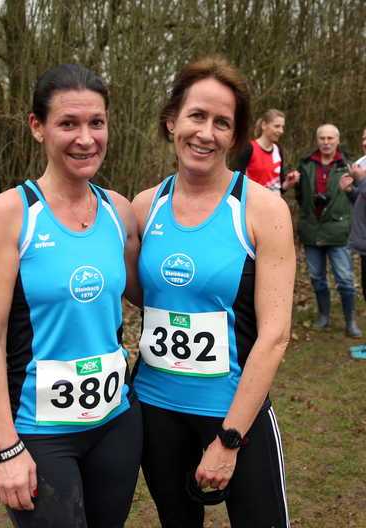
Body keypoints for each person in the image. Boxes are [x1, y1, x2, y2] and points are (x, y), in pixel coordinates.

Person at [0, 64, 143, 528]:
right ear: (37, 126)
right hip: (39, 431)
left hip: (116, 424)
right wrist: (4, 447)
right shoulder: (12, 213)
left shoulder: (119, 211)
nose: (86, 139)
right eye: (68, 123)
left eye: (96, 123)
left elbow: (153, 295)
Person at [131, 56, 295, 527]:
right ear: (172, 121)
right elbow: (142, 296)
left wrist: (230, 439)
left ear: (236, 135)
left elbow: (275, 336)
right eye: (196, 116)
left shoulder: (263, 211)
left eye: (222, 122)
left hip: (234, 411)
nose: (206, 133)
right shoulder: (144, 207)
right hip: (156, 411)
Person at [287, 124, 361, 337]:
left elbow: (357, 197)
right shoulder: (305, 165)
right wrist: (294, 184)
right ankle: (324, 316)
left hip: (338, 231)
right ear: (317, 140)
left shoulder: (348, 165)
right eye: (322, 138)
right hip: (312, 230)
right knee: (317, 278)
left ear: (337, 140)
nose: (326, 142)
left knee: (345, 279)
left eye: (330, 138)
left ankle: (350, 321)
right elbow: (300, 197)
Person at [339, 127, 366, 357]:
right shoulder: (362, 163)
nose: (365, 142)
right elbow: (361, 199)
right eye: (364, 138)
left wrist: (362, 180)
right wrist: (350, 190)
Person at [233, 108, 290, 193]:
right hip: (255, 199)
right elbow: (237, 182)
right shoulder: (249, 148)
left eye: (282, 127)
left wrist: (288, 183)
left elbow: (280, 187)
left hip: (275, 200)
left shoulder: (278, 150)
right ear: (264, 125)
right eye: (277, 126)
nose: (281, 131)